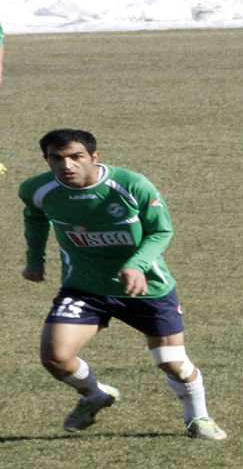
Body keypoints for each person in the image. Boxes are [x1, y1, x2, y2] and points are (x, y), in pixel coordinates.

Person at [18, 129, 225, 440]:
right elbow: (34, 216)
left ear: (94, 157)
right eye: (56, 159)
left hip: (146, 288)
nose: (67, 165)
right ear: (46, 160)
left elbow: (160, 231)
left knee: (172, 363)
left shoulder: (131, 185)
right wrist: (35, 259)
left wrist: (135, 265)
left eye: (76, 157)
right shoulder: (37, 190)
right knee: (55, 358)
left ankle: (199, 418)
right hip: (84, 288)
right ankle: (95, 395)